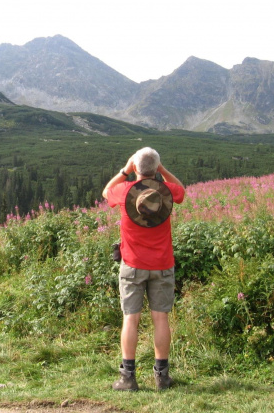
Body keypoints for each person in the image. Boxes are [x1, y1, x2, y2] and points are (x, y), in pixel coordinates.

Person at [102, 147, 185, 391]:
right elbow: (182, 190)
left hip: (132, 265)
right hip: (162, 264)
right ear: (156, 168)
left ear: (136, 168)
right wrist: (161, 169)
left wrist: (125, 170)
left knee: (131, 318)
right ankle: (162, 377)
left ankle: (128, 378)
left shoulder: (124, 190)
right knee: (161, 319)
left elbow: (106, 191)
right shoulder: (167, 191)